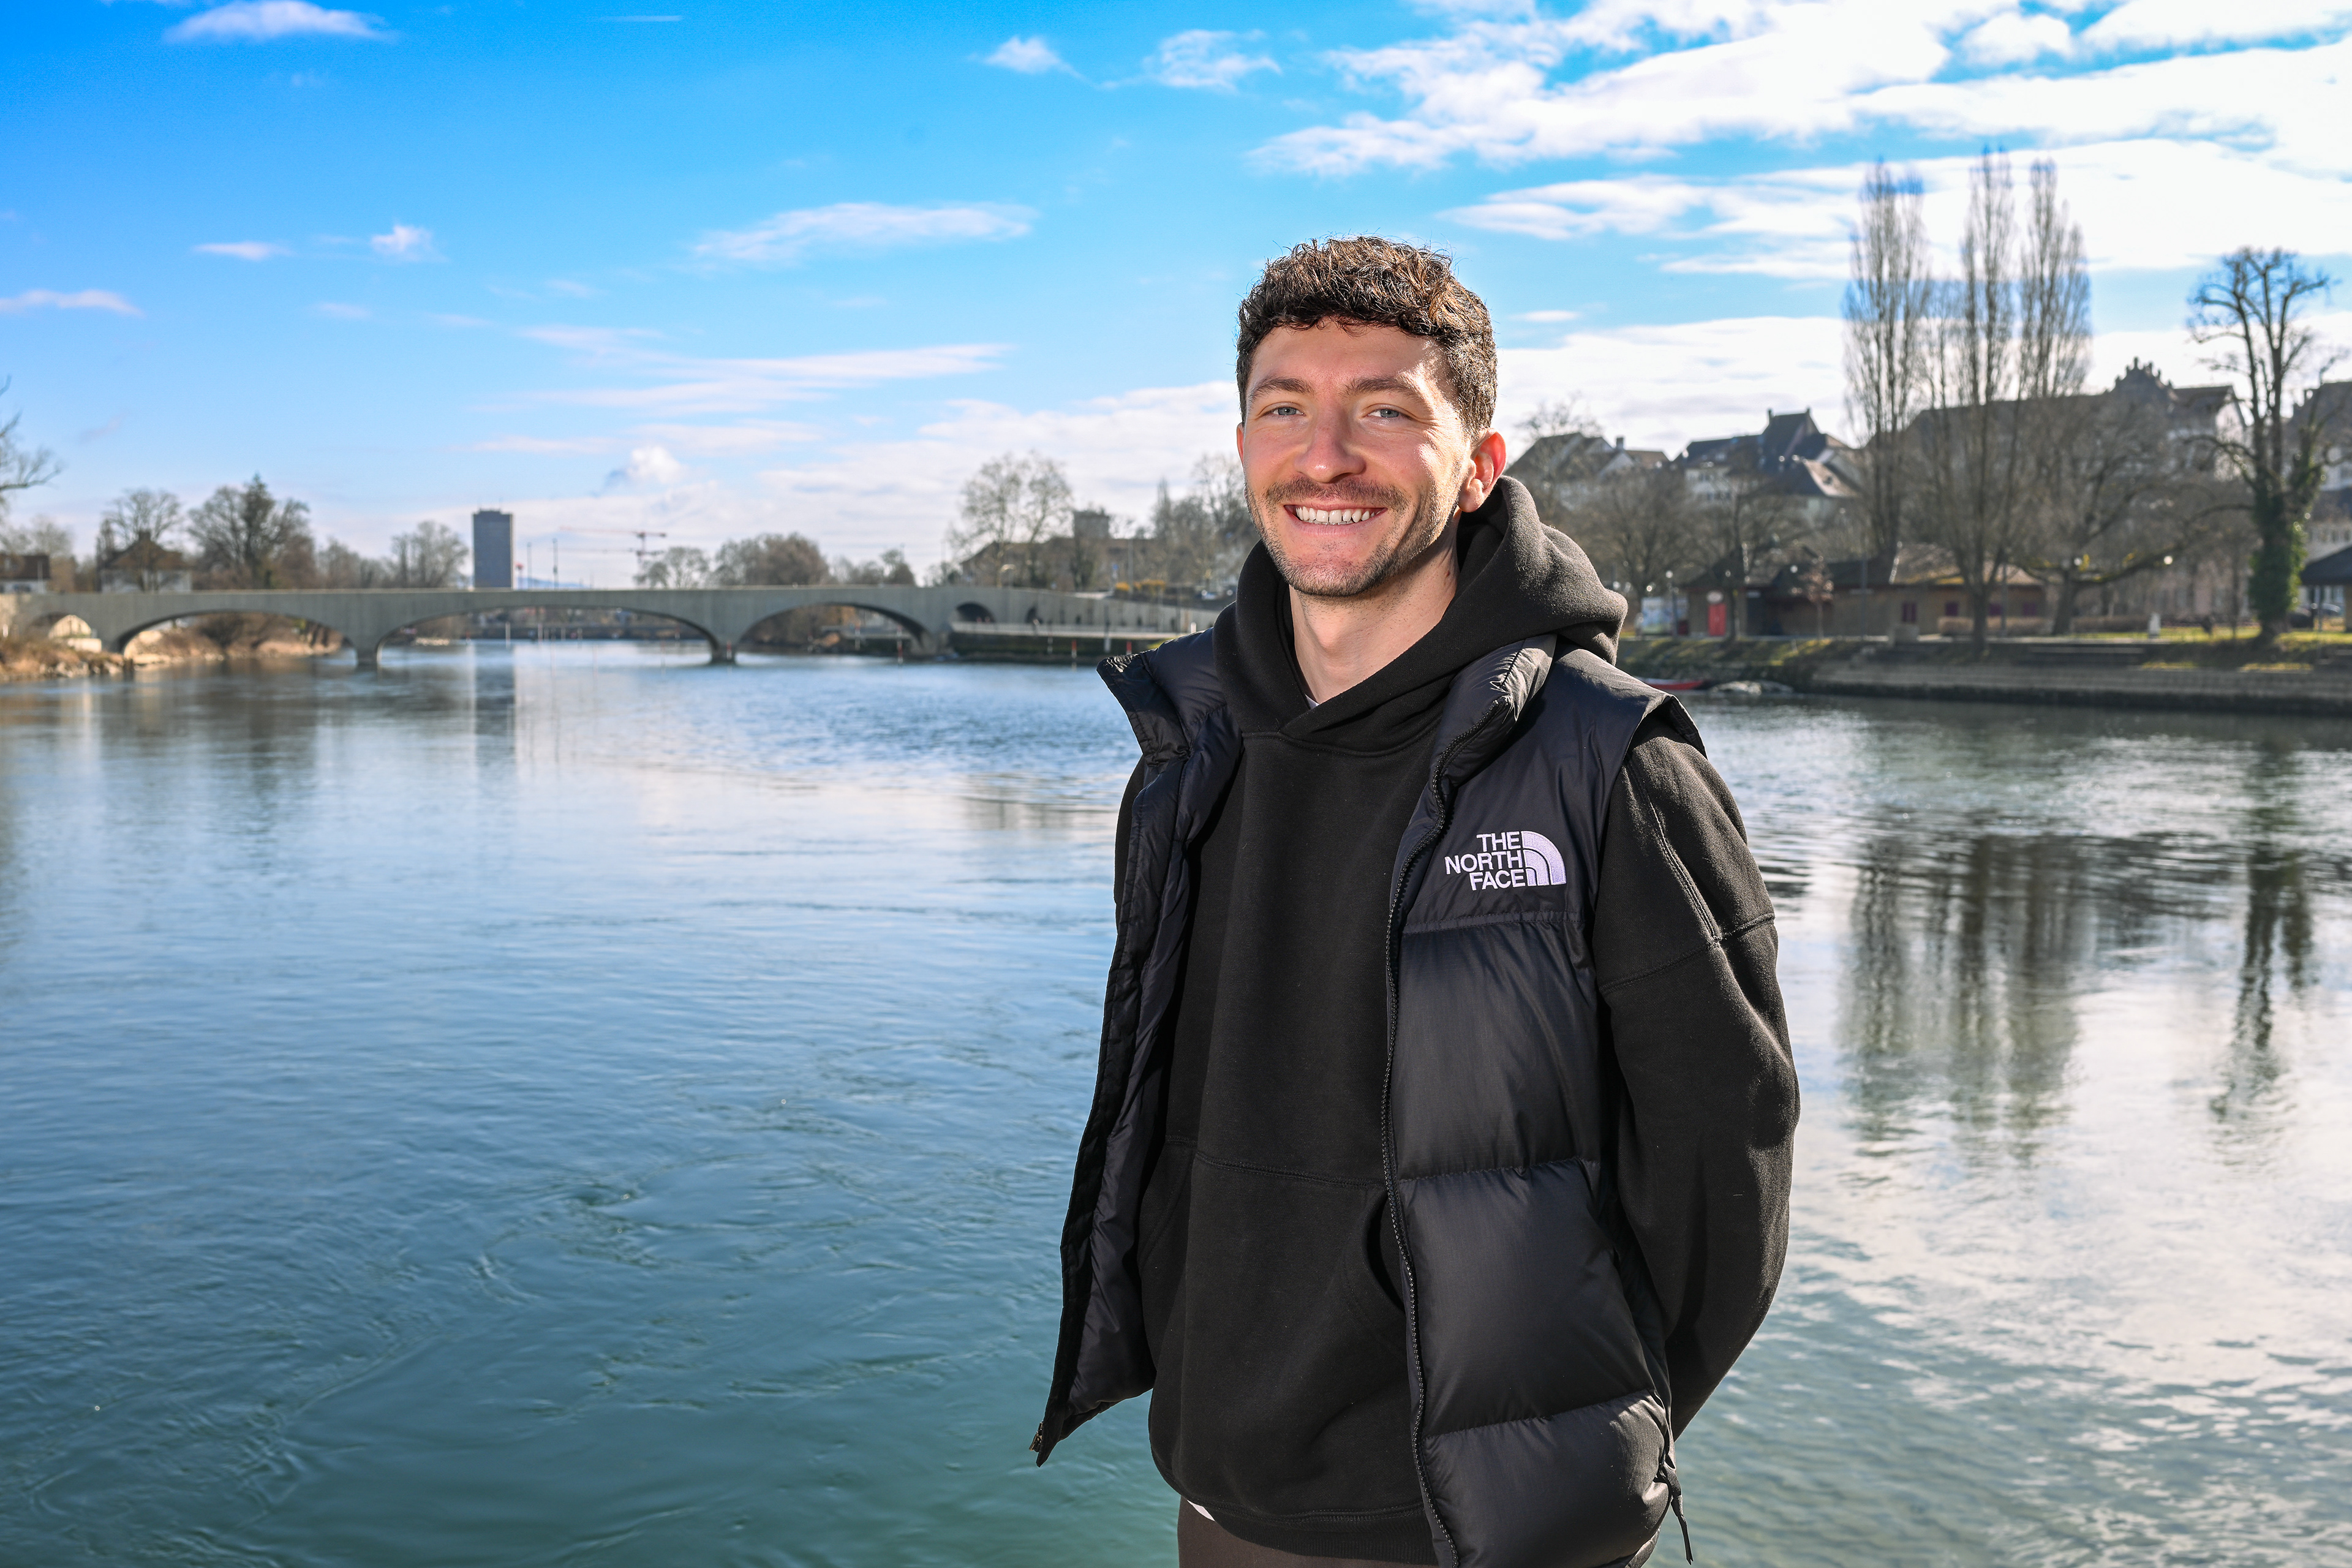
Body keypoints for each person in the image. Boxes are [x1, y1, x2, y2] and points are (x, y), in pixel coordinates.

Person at [1032, 236, 1798, 1568]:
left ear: (1481, 464)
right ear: (1244, 447)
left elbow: (1726, 1175)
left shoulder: (1607, 764)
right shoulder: (1187, 750)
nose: (1325, 456)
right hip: (1227, 1503)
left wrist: (1559, 1453)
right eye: (1286, 408)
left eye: (1384, 411)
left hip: (1495, 1533)